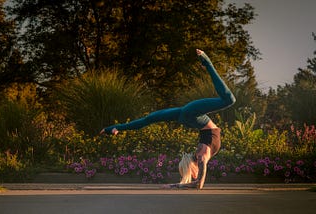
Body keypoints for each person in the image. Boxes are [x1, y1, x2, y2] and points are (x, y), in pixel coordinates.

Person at [100, 49, 236, 189]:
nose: (195, 176)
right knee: (149, 119)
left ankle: (112, 129)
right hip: (188, 117)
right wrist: (177, 185)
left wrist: (174, 185)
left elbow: (198, 185)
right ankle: (114, 128)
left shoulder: (201, 157)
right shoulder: (201, 157)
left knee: (229, 100)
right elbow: (198, 184)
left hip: (192, 116)